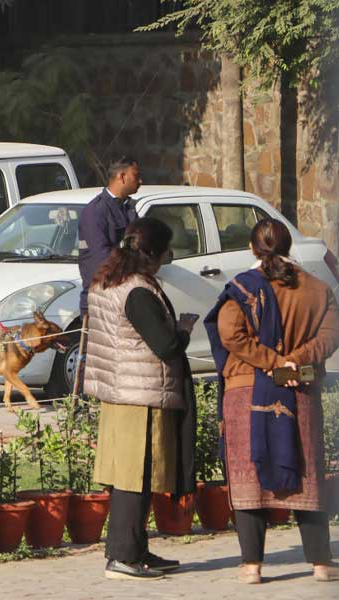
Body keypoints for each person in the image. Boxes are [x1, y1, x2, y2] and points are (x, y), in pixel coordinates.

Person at [205, 218, 339, 584]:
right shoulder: (316, 288)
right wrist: (295, 360)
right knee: (306, 470)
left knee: (250, 475)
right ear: (289, 245)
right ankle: (321, 564)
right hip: (300, 384)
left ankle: (252, 567)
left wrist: (273, 362)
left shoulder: (242, 289)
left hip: (246, 387)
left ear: (252, 248)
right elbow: (331, 335)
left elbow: (230, 334)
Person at [84, 217, 197, 581]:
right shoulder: (136, 291)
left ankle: (134, 549)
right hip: (140, 394)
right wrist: (183, 331)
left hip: (121, 391)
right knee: (135, 477)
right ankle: (122, 557)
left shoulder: (106, 281)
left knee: (133, 476)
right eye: (166, 252)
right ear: (153, 254)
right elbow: (163, 345)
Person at [72, 157, 141, 395]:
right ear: (121, 176)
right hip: (101, 295)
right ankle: (81, 407)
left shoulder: (129, 209)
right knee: (93, 359)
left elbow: (141, 244)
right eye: (136, 175)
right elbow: (102, 256)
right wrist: (132, 261)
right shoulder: (96, 211)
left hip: (127, 295)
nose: (140, 181)